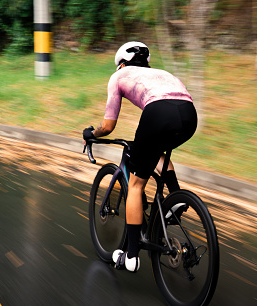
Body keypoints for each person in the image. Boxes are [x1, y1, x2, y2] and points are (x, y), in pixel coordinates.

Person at [82, 41, 197, 272]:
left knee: (135, 185)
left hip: (159, 114)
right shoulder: (160, 73)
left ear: (121, 64)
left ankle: (131, 256)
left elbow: (108, 125)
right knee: (158, 149)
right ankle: (176, 198)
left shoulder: (119, 76)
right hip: (189, 116)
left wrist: (91, 133)